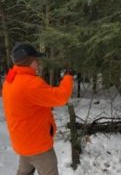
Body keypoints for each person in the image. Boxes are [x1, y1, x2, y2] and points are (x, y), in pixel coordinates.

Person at [2, 43, 74, 175]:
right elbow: (60, 97)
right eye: (36, 59)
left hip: (22, 144)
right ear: (29, 61)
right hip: (39, 148)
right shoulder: (31, 84)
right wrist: (68, 77)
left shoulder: (9, 82)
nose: (38, 62)